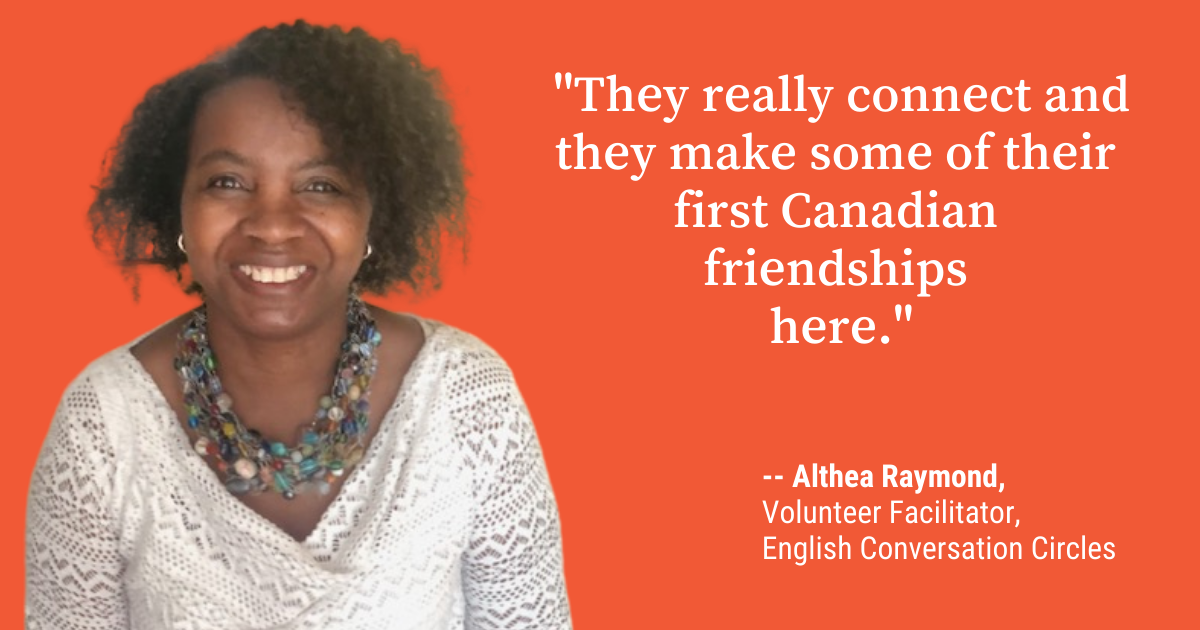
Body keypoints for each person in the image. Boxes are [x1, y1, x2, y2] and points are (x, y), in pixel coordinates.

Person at [24, 21, 570, 629]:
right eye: (227, 182)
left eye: (321, 185)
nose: (273, 225)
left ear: (373, 216)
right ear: (176, 203)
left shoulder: (467, 400)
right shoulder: (104, 424)